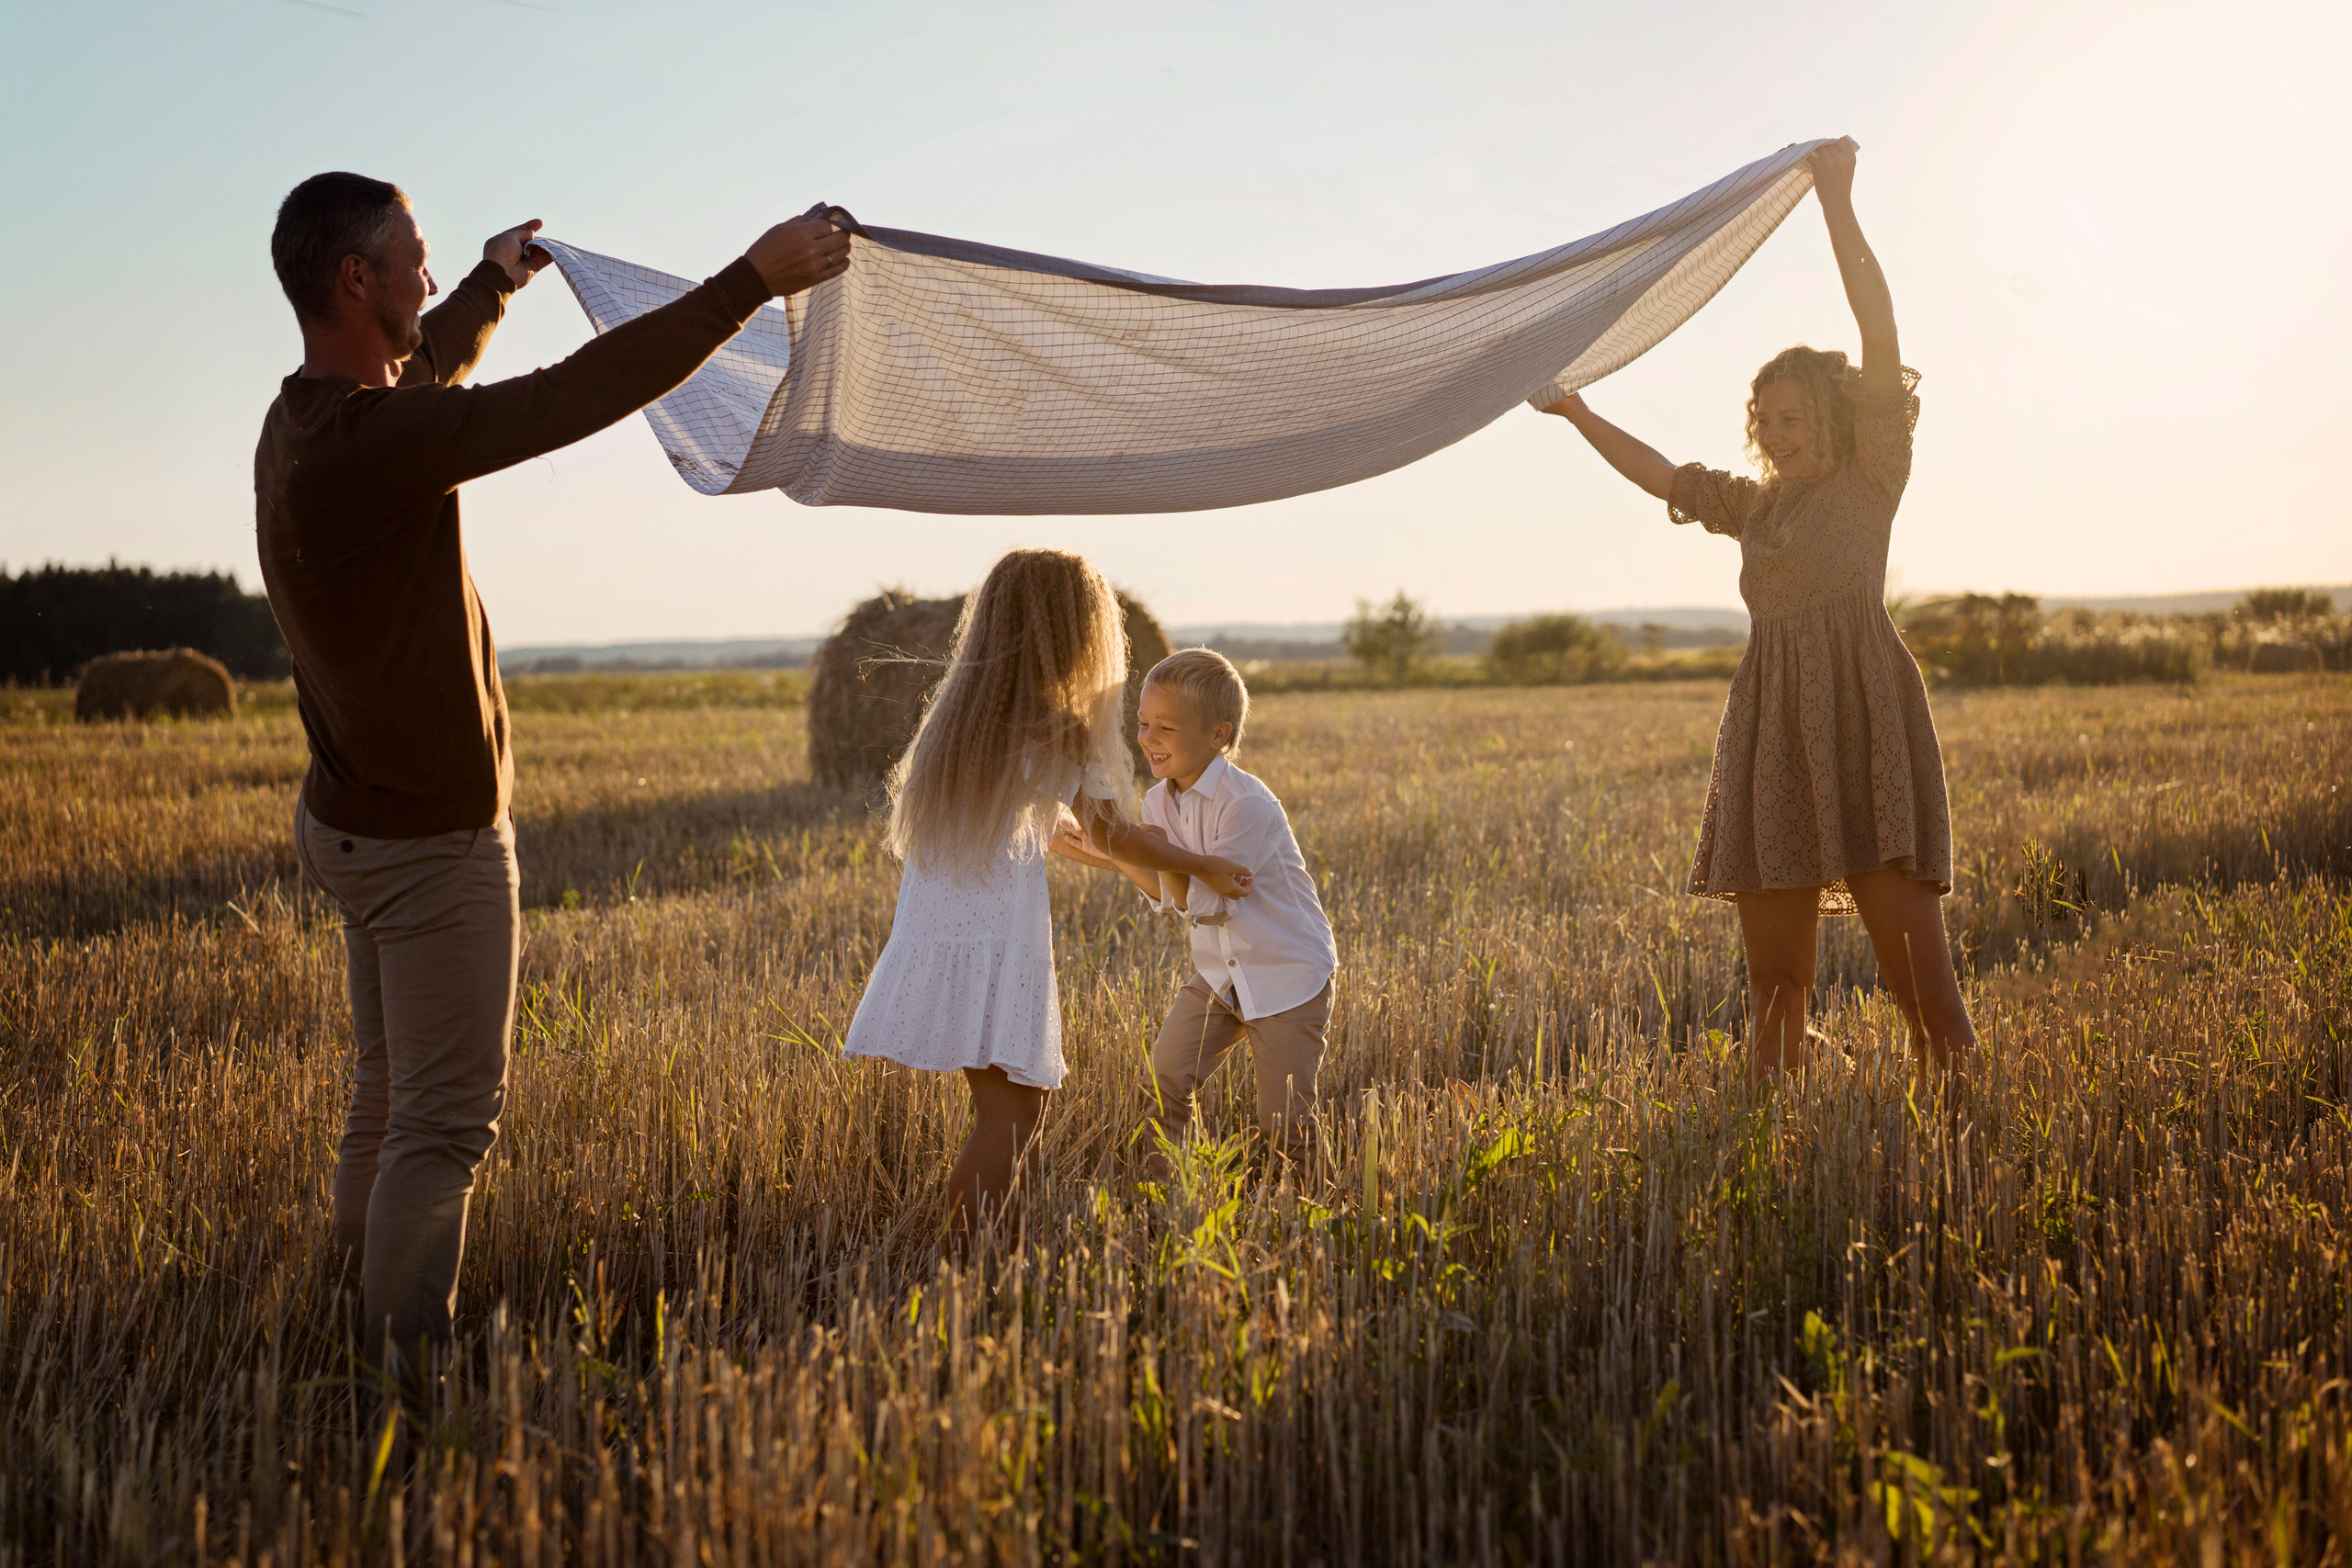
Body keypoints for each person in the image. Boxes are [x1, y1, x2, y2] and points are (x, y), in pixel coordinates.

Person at [255, 171, 851, 1374]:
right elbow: (569, 401)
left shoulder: (314, 420)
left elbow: (431, 378)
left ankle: (351, 1318)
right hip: (430, 849)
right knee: (442, 1123)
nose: (427, 277)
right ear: (355, 278)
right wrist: (751, 281)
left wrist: (488, 283)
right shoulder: (370, 444)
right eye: (413, 259)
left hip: (355, 825)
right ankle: (404, 1382)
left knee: (385, 1097)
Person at [1540, 139, 1976, 1080]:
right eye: (1763, 420)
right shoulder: (1757, 507)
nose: (1774, 436)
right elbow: (1661, 474)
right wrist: (1576, 412)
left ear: (1834, 414)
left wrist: (1836, 201)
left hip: (1865, 714)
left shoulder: (1873, 475)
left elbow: (1879, 329)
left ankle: (1967, 1129)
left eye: (1791, 418)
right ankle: (1767, 1139)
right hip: (1773, 725)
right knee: (1774, 987)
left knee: (1924, 995)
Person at [840, 550, 1258, 1235]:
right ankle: (966, 1261)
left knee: (1008, 1111)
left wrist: (1134, 870)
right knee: (1012, 1116)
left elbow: (1059, 836)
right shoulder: (1055, 723)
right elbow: (1114, 833)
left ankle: (994, 1243)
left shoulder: (967, 718)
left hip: (944, 929)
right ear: (1074, 635)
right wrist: (1203, 865)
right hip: (994, 939)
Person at [1053, 649, 1338, 1165]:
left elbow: (1207, 902)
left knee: (1285, 1122)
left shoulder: (1244, 804)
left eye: (1166, 727)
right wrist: (1117, 852)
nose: (1147, 739)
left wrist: (1136, 849)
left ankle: (1319, 1220)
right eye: (1142, 724)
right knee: (1162, 1081)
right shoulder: (1159, 802)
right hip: (1220, 975)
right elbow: (1167, 890)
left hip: (1286, 976)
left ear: (1217, 735)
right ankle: (1166, 1198)